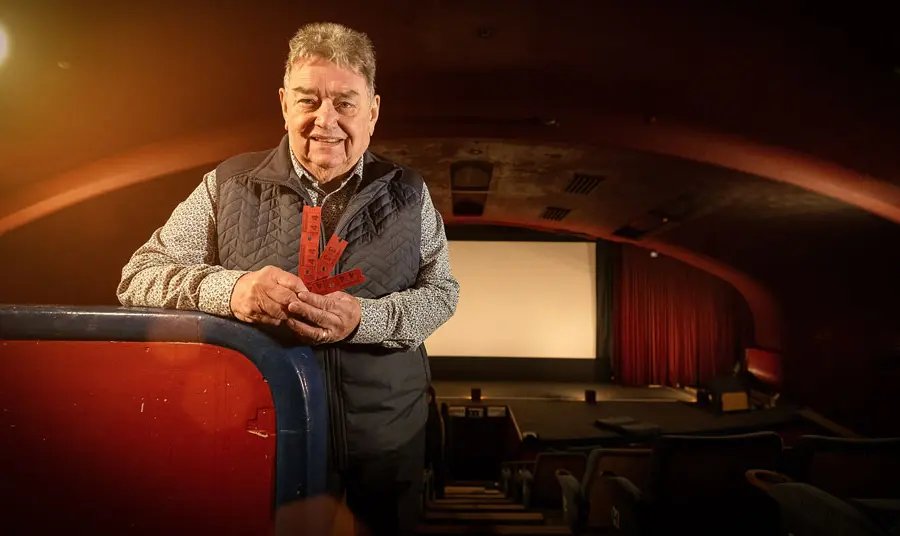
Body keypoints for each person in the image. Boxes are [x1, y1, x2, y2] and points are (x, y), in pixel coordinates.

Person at [116, 22, 459, 536]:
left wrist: (366, 318)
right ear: (283, 103)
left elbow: (442, 295)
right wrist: (231, 291)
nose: (326, 121)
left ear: (373, 110)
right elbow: (137, 278)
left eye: (345, 102)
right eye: (308, 101)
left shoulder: (411, 193)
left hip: (388, 443)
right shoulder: (225, 184)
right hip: (267, 436)